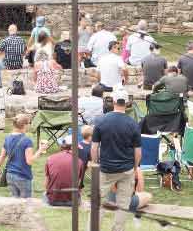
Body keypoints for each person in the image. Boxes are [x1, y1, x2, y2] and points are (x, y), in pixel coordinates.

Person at [91, 90, 141, 231]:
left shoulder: (101, 121)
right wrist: (135, 167)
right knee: (123, 205)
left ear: (113, 102)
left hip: (106, 169)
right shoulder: (133, 124)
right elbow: (138, 152)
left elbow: (94, 148)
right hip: (126, 169)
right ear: (127, 103)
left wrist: (95, 164)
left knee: (98, 203)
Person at [0, 113, 48, 198]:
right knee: (26, 204)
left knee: (15, 203)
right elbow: (29, 161)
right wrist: (40, 150)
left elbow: (2, 156)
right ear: (25, 125)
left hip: (9, 175)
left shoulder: (7, 138)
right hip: (23, 176)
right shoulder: (27, 141)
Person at [44, 134, 80, 205]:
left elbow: (46, 184)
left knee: (44, 194)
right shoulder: (79, 161)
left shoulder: (50, 158)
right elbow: (79, 186)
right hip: (73, 201)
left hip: (53, 200)